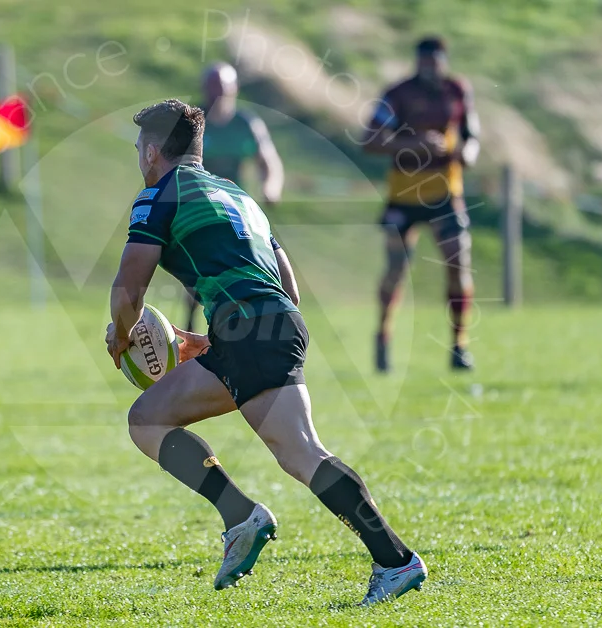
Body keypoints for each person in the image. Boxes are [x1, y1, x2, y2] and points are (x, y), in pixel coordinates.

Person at [106, 99, 426, 604]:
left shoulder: (158, 196)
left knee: (301, 451)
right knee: (148, 418)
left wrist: (119, 335)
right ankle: (240, 517)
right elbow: (287, 288)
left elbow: (128, 289)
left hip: (252, 333)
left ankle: (395, 561)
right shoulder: (238, 195)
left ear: (150, 152)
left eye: (138, 152)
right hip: (269, 327)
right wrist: (215, 343)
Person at [363, 36, 480, 373]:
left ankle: (460, 346)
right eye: (424, 62)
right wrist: (412, 143)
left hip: (445, 194)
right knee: (396, 270)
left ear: (444, 61)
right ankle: (383, 335)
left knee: (459, 262)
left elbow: (472, 133)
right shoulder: (397, 94)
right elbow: (370, 140)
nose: (429, 68)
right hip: (403, 197)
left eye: (435, 62)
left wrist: (467, 153)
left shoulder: (458, 90)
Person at [178, 62, 284, 332]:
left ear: (234, 90)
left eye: (223, 90)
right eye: (212, 91)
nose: (218, 97)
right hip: (198, 207)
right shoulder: (193, 124)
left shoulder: (245, 124)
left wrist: (271, 186)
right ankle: (191, 328)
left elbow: (268, 160)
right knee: (198, 270)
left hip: (237, 211)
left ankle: (244, 327)